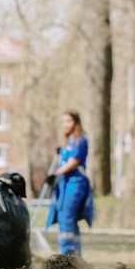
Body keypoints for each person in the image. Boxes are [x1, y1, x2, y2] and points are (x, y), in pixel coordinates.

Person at [44, 110, 94, 256]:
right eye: (64, 121)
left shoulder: (81, 140)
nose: (65, 124)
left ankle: (68, 252)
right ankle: (74, 253)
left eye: (69, 121)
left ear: (76, 122)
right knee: (66, 216)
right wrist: (61, 153)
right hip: (65, 183)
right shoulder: (70, 141)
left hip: (75, 183)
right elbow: (64, 161)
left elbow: (73, 162)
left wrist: (55, 174)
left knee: (66, 215)